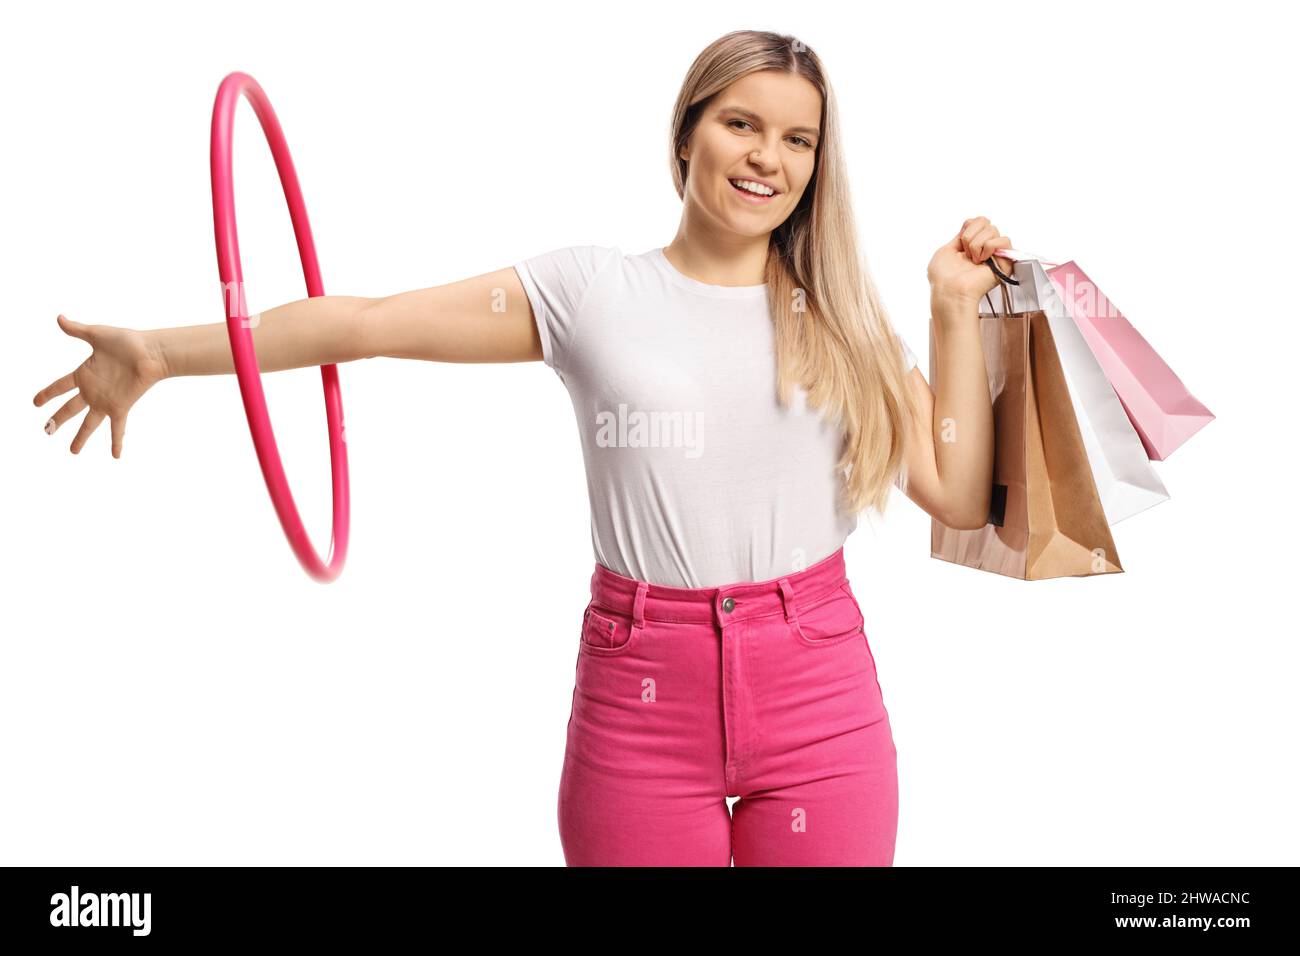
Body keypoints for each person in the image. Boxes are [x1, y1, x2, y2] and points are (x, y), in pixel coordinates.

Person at [32, 29, 1010, 866]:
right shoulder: (590, 292)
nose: (767, 158)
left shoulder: (839, 313)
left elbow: (959, 494)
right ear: (686, 132)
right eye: (741, 123)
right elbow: (366, 322)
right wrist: (163, 352)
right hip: (642, 688)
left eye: (797, 138)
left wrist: (951, 308)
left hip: (815, 688)